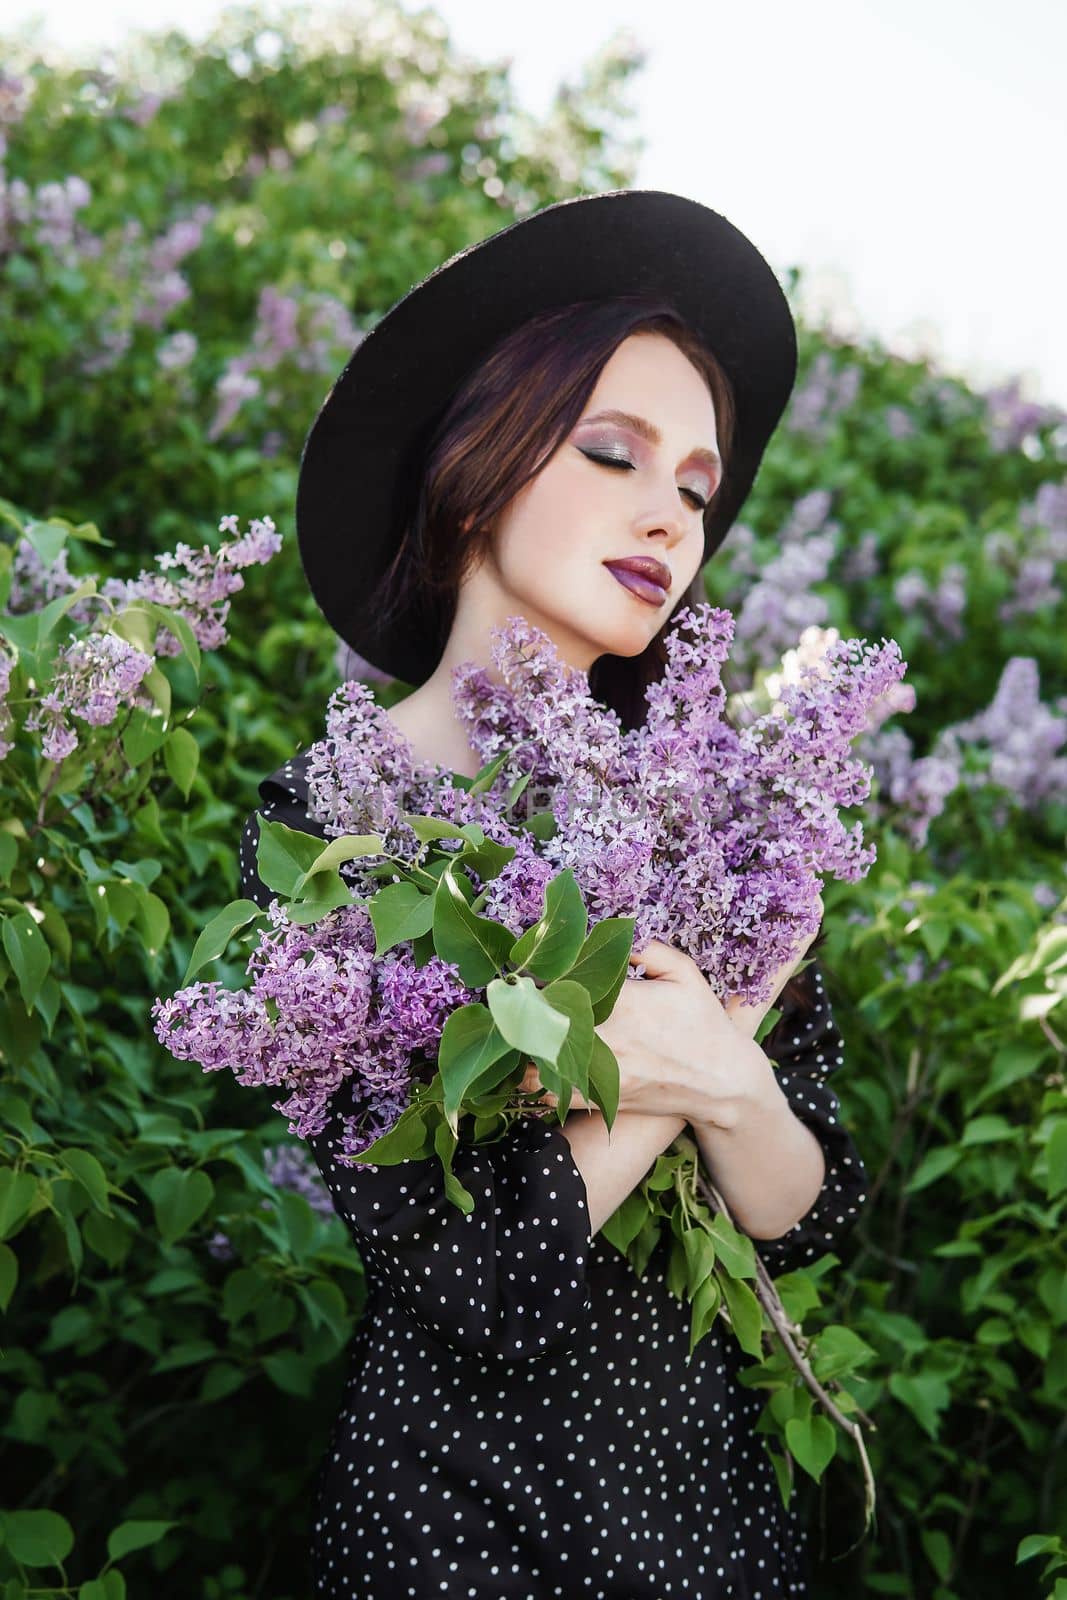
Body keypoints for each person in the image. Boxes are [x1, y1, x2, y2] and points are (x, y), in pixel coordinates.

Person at [237, 191, 869, 1599]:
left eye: (698, 490)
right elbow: (468, 1283)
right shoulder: (334, 821)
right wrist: (687, 1065)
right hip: (455, 1523)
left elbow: (810, 1201)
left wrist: (740, 1055)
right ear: (480, 459)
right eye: (613, 451)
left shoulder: (720, 813)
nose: (672, 515)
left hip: (702, 1515)